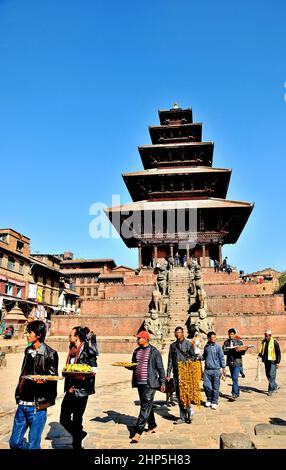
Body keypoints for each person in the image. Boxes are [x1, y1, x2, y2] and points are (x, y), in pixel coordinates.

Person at [9, 320, 58, 449]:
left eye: (29, 332)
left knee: (33, 445)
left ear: (38, 335)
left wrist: (44, 382)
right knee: (14, 443)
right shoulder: (27, 351)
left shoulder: (50, 354)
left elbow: (53, 379)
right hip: (22, 404)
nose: (27, 335)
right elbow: (23, 373)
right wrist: (18, 395)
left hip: (37, 407)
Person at [60, 326, 97, 449]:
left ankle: (77, 445)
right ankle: (80, 434)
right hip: (70, 389)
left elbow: (94, 370)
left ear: (76, 337)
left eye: (71, 335)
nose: (69, 337)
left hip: (81, 391)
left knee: (77, 420)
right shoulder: (72, 350)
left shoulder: (89, 351)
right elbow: (70, 367)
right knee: (63, 419)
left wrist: (83, 376)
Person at [127, 330, 165, 443]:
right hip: (139, 382)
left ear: (146, 339)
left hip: (150, 383)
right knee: (147, 405)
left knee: (145, 406)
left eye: (139, 338)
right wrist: (128, 366)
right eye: (137, 338)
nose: (137, 340)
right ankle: (152, 425)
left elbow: (160, 368)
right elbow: (134, 365)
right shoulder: (136, 351)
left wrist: (162, 382)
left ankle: (138, 432)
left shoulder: (154, 352)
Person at [166, 326, 197, 424]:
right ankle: (182, 416)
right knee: (179, 395)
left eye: (179, 332)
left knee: (186, 394)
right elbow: (170, 360)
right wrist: (168, 373)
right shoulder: (172, 346)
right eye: (176, 333)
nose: (178, 334)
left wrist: (189, 360)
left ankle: (189, 412)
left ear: (183, 333)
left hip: (186, 373)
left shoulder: (188, 344)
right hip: (176, 373)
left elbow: (193, 357)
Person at [202, 331, 226, 410]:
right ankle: (209, 399)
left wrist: (223, 368)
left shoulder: (218, 347)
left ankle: (214, 401)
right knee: (206, 385)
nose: (215, 339)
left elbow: (222, 357)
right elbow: (204, 356)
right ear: (209, 338)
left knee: (215, 387)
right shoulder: (206, 347)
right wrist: (198, 357)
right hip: (207, 370)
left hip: (216, 370)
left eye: (215, 337)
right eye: (213, 337)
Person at [223, 328, 245, 399]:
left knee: (235, 377)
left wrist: (239, 351)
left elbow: (243, 352)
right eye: (229, 334)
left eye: (232, 334)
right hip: (230, 362)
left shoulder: (239, 342)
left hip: (237, 362)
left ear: (235, 334)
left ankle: (234, 394)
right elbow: (223, 351)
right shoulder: (226, 342)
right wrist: (230, 351)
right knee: (233, 378)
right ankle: (237, 391)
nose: (230, 335)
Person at [258, 329, 281, 396]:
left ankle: (270, 390)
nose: (265, 337)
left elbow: (278, 353)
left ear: (270, 336)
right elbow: (261, 350)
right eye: (265, 336)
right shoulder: (263, 341)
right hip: (266, 361)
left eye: (267, 336)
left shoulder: (274, 342)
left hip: (273, 361)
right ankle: (275, 386)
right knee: (268, 375)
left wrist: (278, 362)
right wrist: (259, 355)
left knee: (271, 375)